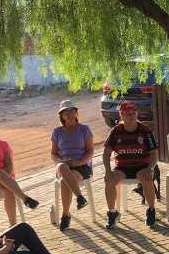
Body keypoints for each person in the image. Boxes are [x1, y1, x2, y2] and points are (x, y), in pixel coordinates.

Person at [103, 101, 159, 229]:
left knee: (146, 177)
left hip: (142, 165)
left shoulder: (145, 130)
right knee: (109, 181)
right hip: (122, 167)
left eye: (133, 113)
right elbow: (106, 154)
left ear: (137, 114)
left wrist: (150, 168)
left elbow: (154, 153)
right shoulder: (115, 131)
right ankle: (112, 212)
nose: (131, 116)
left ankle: (151, 210)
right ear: (121, 115)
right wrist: (107, 171)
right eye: (127, 114)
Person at [51, 99, 94, 231]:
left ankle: (66, 214)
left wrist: (78, 162)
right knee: (62, 167)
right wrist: (61, 161)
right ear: (62, 116)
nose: (69, 114)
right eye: (66, 112)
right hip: (64, 165)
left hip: (81, 165)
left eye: (71, 111)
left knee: (64, 181)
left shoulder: (84, 129)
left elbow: (90, 151)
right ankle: (80, 197)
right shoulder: (57, 132)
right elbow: (53, 154)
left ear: (76, 113)